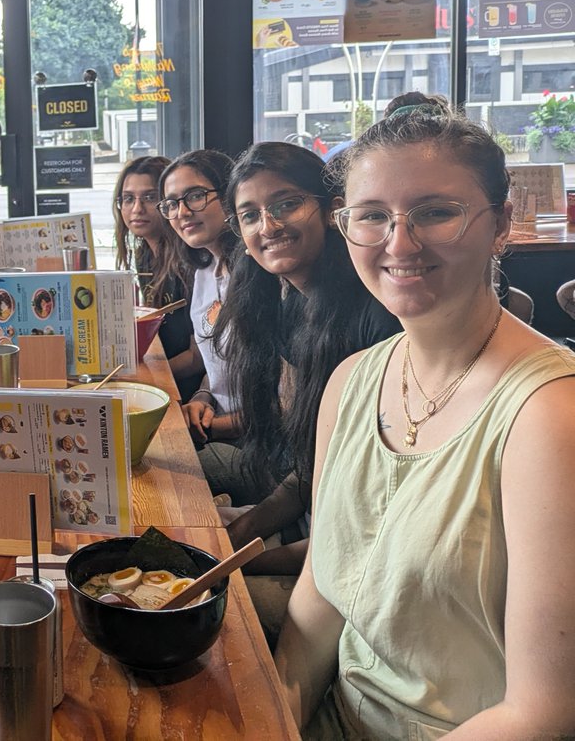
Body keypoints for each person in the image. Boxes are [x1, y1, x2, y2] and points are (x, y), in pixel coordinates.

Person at [276, 106, 575, 738]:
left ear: (502, 222)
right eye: (373, 216)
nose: (400, 243)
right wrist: (272, 722)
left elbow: (543, 712)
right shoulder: (351, 381)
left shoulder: (548, 415)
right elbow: (322, 594)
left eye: (436, 212)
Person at [212, 142, 399, 600]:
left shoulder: (376, 318)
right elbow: (310, 467)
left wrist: (240, 562)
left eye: (286, 204)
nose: (268, 225)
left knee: (226, 609)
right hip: (312, 513)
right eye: (251, 215)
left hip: (360, 560)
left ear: (333, 210)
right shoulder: (289, 301)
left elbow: (372, 520)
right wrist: (234, 542)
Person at [157, 150, 241, 446]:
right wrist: (203, 396)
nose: (182, 212)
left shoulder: (259, 275)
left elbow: (285, 406)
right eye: (171, 204)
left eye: (195, 196)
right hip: (218, 426)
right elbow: (212, 361)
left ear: (231, 194)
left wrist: (212, 427)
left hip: (253, 443)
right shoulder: (205, 269)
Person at [111, 155, 196, 390]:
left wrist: (144, 379)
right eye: (128, 199)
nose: (137, 209)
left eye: (149, 197)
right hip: (163, 372)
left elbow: (198, 357)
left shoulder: (189, 262)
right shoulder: (144, 254)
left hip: (191, 390)